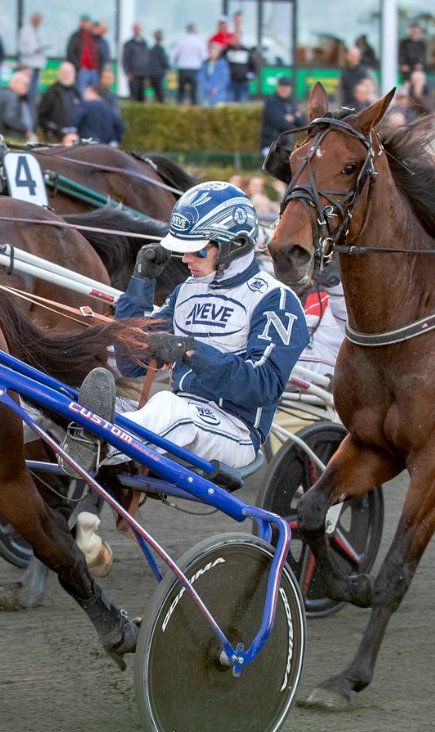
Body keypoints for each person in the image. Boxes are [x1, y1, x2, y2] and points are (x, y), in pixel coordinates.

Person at [67, 181, 306, 566]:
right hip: (178, 414)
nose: (184, 259)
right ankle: (73, 429)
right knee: (88, 396)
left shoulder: (276, 299)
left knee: (169, 409)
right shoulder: (186, 292)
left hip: (237, 430)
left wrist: (192, 351)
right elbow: (130, 362)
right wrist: (141, 285)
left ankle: (91, 444)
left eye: (196, 248)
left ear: (234, 245)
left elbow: (263, 385)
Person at [37, 61, 82, 140]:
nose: (66, 75)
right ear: (59, 74)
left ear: (74, 75)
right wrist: (54, 130)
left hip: (74, 137)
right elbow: (41, 116)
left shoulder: (76, 92)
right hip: (55, 137)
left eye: (69, 73)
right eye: (64, 72)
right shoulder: (51, 91)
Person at [260, 77, 300, 157]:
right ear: (277, 87)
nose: (284, 89)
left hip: (287, 145)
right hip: (271, 145)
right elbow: (281, 124)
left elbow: (302, 121)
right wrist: (294, 118)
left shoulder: (292, 101)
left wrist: (291, 118)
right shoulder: (271, 101)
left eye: (287, 87)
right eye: (282, 87)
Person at [0, 69, 36, 141]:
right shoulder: (11, 96)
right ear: (16, 83)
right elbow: (9, 118)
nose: (27, 88)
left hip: (15, 137)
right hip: (12, 138)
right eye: (25, 84)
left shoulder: (16, 96)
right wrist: (25, 129)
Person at [170, 24, 204, 105]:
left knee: (181, 92)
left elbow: (173, 55)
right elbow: (204, 56)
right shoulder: (199, 41)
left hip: (182, 68)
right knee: (194, 93)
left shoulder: (181, 41)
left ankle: (178, 108)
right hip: (194, 69)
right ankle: (194, 108)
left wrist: (173, 66)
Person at [17, 12, 46, 104]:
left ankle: (33, 104)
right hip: (28, 63)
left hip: (38, 63)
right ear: (32, 19)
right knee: (28, 86)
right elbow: (21, 48)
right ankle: (27, 103)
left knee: (35, 87)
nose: (38, 22)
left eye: (39, 20)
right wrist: (34, 50)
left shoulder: (41, 30)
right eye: (36, 20)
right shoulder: (25, 30)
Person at [66, 15, 100, 90]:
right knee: (81, 91)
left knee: (94, 92)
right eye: (84, 22)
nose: (86, 24)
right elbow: (70, 53)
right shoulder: (75, 36)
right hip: (82, 71)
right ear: (81, 23)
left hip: (94, 70)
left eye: (88, 22)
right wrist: (78, 67)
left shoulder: (93, 36)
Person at [121, 23, 151, 101]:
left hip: (143, 74)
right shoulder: (128, 44)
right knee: (133, 96)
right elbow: (125, 59)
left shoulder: (144, 43)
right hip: (133, 74)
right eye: (136, 29)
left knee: (142, 97)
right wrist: (127, 72)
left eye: (138, 29)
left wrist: (148, 74)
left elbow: (147, 58)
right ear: (133, 30)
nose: (137, 30)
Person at [196, 41, 229, 107]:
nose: (212, 53)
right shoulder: (205, 63)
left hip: (219, 94)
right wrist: (209, 87)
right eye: (210, 51)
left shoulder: (222, 64)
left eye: (214, 51)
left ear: (218, 53)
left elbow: (225, 79)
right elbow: (201, 77)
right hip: (206, 94)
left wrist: (217, 88)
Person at [144, 30, 170, 104]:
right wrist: (168, 68)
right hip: (158, 74)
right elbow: (164, 61)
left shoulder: (151, 49)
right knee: (160, 96)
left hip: (151, 74)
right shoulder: (161, 49)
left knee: (153, 94)